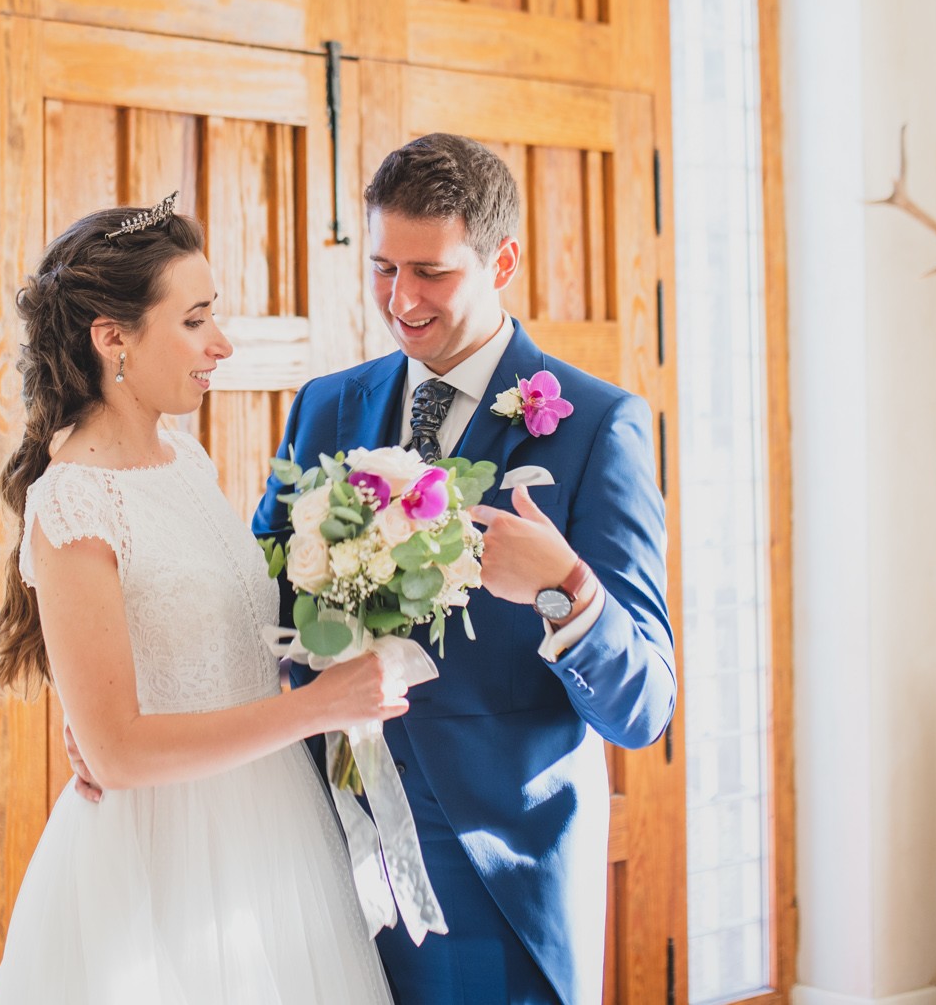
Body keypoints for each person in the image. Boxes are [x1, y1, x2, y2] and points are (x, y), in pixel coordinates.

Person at [252, 134, 677, 1005]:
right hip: (325, 844)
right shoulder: (325, 405)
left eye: (431, 271)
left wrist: (569, 588)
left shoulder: (599, 427)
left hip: (494, 867)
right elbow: (256, 595)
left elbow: (645, 707)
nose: (400, 299)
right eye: (381, 268)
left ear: (503, 260)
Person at [0, 197, 398, 1005]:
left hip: (271, 823)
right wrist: (320, 707)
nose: (222, 344)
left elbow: (220, 628)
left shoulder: (185, 455)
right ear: (114, 338)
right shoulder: (72, 503)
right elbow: (119, 753)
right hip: (161, 859)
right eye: (196, 320)